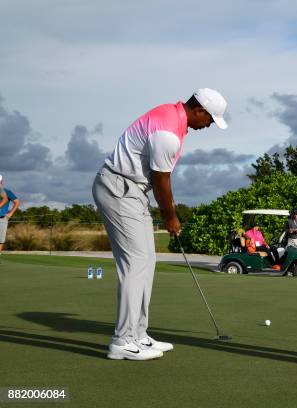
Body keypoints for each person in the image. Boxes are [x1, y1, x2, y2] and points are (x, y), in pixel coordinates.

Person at [92, 88, 228, 361]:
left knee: (147, 260)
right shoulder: (168, 133)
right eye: (210, 120)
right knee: (135, 262)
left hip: (132, 190)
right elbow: (161, 181)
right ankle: (123, 340)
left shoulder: (171, 116)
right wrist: (171, 216)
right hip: (119, 187)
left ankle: (139, 334)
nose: (208, 126)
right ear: (199, 110)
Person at [0, 175, 21, 256]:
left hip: (2, 218)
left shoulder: (7, 191)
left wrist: (10, 213)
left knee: (1, 239)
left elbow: (17, 202)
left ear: (1, 181)